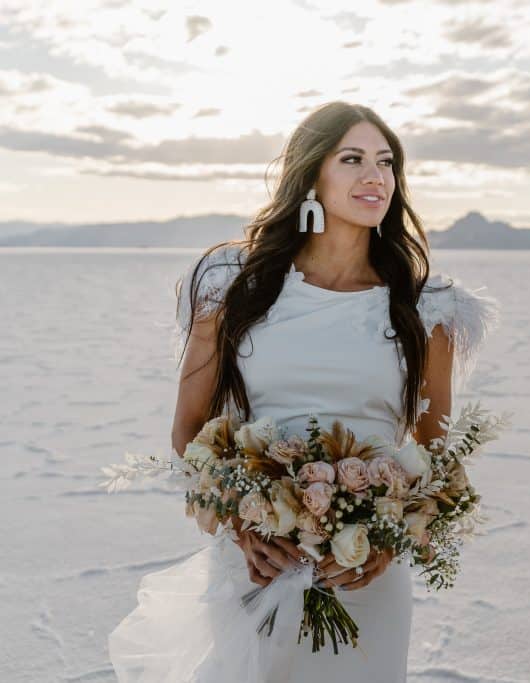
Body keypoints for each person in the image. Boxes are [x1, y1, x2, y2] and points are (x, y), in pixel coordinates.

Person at [107, 101, 500, 682]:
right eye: (353, 159)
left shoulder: (427, 306)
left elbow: (433, 449)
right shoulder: (233, 284)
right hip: (257, 564)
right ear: (312, 173)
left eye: (387, 162)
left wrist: (390, 539)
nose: (376, 176)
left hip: (366, 578)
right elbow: (189, 427)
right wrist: (243, 526)